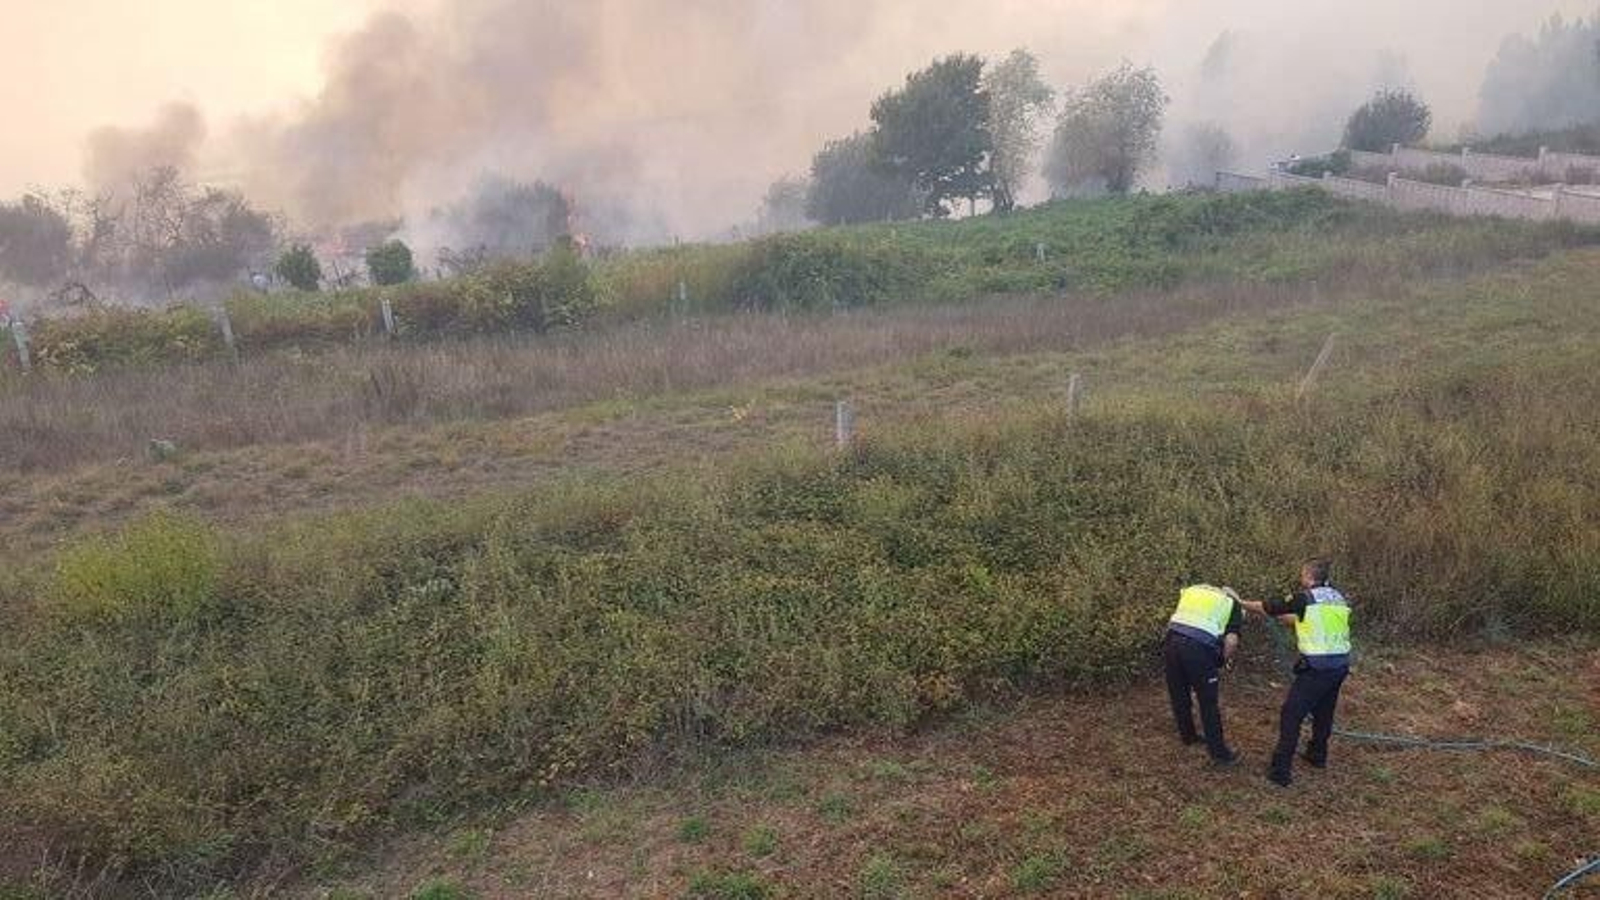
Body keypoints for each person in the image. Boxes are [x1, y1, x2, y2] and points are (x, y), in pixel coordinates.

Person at [1240, 558, 1352, 787]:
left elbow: (1267, 607)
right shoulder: (1337, 597)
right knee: (1324, 712)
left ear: (1309, 576)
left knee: (1291, 714)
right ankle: (1317, 755)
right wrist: (1288, 619)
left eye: (1302, 574)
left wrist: (1240, 602)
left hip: (1317, 668)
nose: (1301, 578)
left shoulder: (1305, 598)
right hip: (1339, 666)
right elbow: (1315, 619)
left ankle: (1280, 771)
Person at [1163, 583, 1243, 766]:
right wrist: (1222, 661)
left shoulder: (1194, 591)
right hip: (1197, 649)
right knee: (1208, 702)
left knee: (1179, 693)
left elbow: (1174, 619)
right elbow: (1231, 641)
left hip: (1171, 640)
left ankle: (1188, 736)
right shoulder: (1232, 604)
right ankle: (1220, 754)